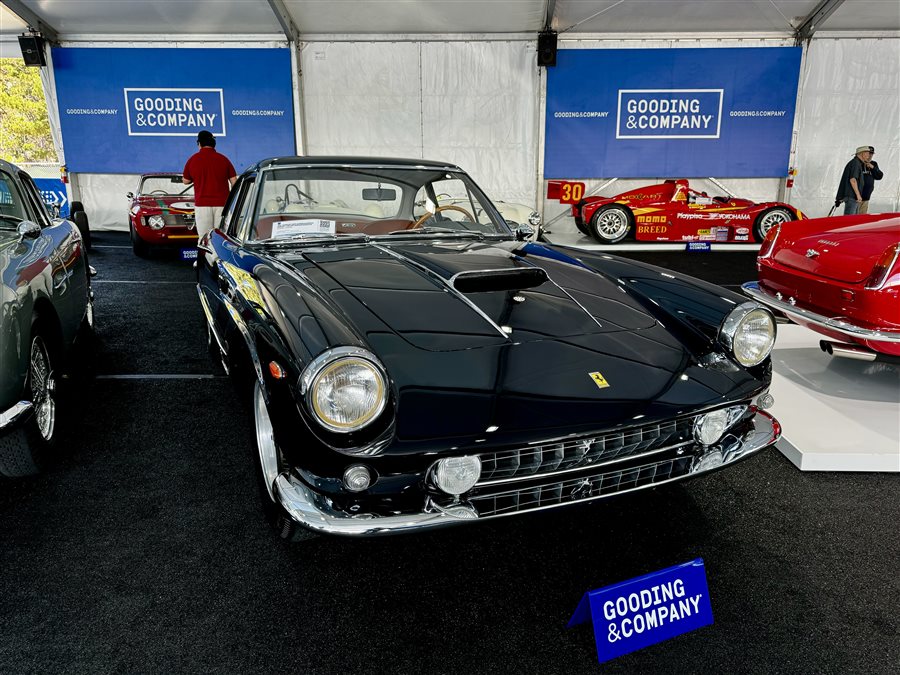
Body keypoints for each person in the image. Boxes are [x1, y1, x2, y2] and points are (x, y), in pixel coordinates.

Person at [182, 130, 237, 237]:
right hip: (223, 205)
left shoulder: (193, 160)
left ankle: (208, 254)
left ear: (199, 144)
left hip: (202, 205)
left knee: (205, 238)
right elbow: (234, 181)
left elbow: (186, 181)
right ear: (213, 143)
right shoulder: (224, 159)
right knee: (222, 237)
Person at [834, 145, 882, 216]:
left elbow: (879, 176)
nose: (869, 155)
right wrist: (858, 195)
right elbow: (853, 180)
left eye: (871, 153)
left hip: (862, 197)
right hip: (855, 196)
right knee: (850, 220)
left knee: (856, 220)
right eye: (868, 153)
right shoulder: (856, 163)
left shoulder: (871, 164)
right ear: (862, 153)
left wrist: (873, 168)